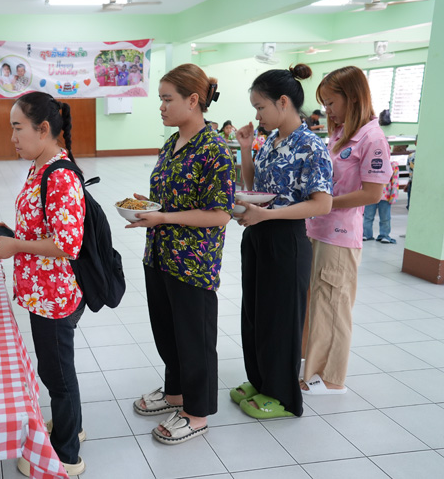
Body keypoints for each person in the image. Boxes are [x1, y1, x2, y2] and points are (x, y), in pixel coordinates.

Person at [129, 64, 235, 445]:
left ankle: (197, 412)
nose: (161, 106)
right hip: (160, 254)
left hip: (193, 263)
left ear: (193, 100)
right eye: (160, 99)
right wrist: (150, 208)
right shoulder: (172, 143)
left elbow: (220, 213)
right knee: (168, 331)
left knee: (194, 339)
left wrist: (163, 217)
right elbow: (171, 198)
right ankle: (174, 392)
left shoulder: (215, 149)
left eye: (167, 99)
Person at [0, 92, 87, 476]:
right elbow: (44, 226)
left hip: (54, 295)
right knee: (54, 369)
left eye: (18, 128)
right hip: (41, 290)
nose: (12, 137)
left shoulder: (59, 175)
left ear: (43, 129)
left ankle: (67, 456)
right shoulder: (39, 167)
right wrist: (13, 237)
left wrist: (16, 246)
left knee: (58, 375)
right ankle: (71, 425)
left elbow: (67, 244)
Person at [231, 64, 333, 419]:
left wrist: (269, 216)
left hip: (286, 239)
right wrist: (246, 149)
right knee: (255, 314)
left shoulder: (311, 146)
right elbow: (254, 186)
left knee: (281, 320)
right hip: (258, 234)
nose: (257, 115)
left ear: (284, 102)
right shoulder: (271, 141)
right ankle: (260, 381)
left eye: (261, 107)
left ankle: (283, 396)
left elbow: (322, 203)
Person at [302, 66, 392, 395]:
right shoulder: (341, 134)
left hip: (339, 236)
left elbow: (372, 193)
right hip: (318, 228)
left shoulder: (372, 138)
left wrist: (325, 203)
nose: (327, 110)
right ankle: (309, 368)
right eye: (324, 104)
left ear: (352, 98)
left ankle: (329, 378)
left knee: (333, 307)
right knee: (315, 305)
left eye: (330, 103)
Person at [363, 160, 399, 244]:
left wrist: (393, 196)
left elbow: (395, 181)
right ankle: (366, 234)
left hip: (385, 196)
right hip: (371, 195)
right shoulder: (370, 162)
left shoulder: (393, 165)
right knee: (368, 216)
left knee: (385, 217)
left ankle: (384, 235)